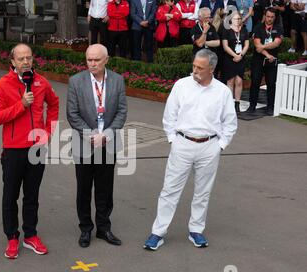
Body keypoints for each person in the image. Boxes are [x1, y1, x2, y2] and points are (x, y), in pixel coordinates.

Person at [143, 49, 237, 251]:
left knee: (203, 191)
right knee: (170, 189)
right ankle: (158, 232)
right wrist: (172, 139)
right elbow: (170, 116)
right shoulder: (181, 86)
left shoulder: (222, 92)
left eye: (200, 68)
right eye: (194, 66)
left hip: (210, 146)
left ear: (211, 68)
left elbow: (230, 122)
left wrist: (220, 146)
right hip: (182, 144)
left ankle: (196, 230)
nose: (194, 70)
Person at [0, 43, 59, 259]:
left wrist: (49, 132)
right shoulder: (3, 84)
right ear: (12, 62)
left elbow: (55, 104)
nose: (25, 62)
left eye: (28, 58)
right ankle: (12, 237)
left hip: (36, 148)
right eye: (20, 59)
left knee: (32, 195)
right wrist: (21, 104)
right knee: (10, 195)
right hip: (13, 150)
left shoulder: (41, 82)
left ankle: (31, 235)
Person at [66, 44, 128, 248]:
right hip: (85, 143)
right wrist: (92, 135)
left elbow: (121, 111)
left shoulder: (118, 80)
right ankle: (85, 228)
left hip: (108, 144)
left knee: (105, 189)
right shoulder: (76, 81)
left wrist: (107, 134)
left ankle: (104, 228)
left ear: (106, 60)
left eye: (96, 60)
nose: (92, 63)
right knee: (83, 189)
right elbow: (72, 114)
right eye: (89, 60)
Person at [245, 7, 283, 116]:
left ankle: (270, 107)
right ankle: (252, 106)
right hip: (259, 59)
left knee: (271, 83)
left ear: (275, 17)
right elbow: (257, 46)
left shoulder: (278, 28)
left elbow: (276, 43)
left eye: (272, 17)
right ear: (264, 16)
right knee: (255, 82)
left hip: (272, 61)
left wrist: (263, 46)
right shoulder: (258, 27)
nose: (269, 19)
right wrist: (267, 53)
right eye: (268, 16)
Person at [222, 11, 250, 112]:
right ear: (231, 20)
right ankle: (229, 103)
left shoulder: (244, 30)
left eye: (239, 19)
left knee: (239, 81)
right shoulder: (227, 30)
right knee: (230, 81)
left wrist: (241, 55)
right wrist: (234, 55)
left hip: (241, 58)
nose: (238, 21)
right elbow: (225, 46)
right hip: (230, 58)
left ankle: (237, 103)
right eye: (235, 19)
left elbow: (247, 44)